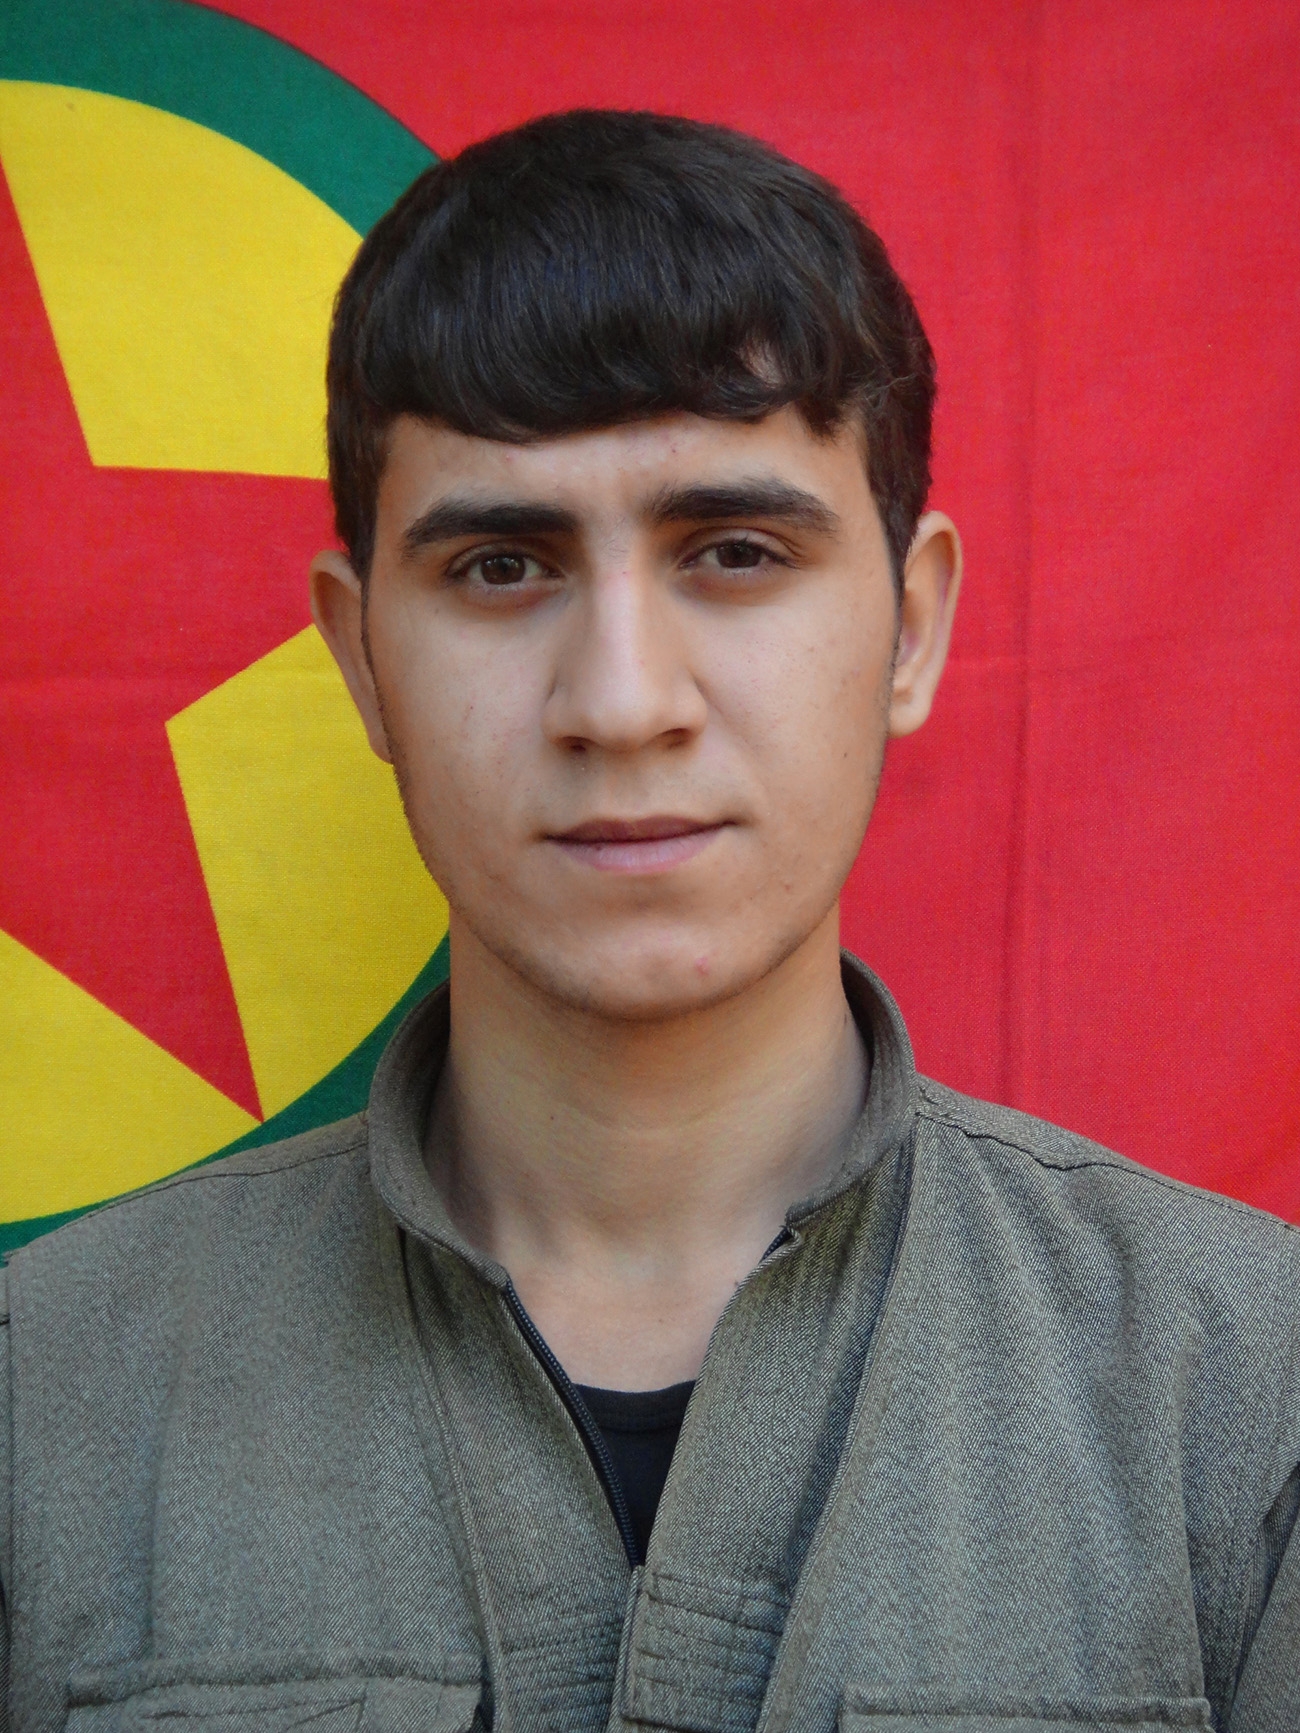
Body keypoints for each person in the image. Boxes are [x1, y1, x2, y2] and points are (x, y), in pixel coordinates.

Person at [2, 109, 1296, 1733]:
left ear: (911, 627)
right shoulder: (41, 1399)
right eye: (501, 567)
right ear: (361, 657)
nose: (621, 702)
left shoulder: (1244, 1394)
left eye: (735, 551)